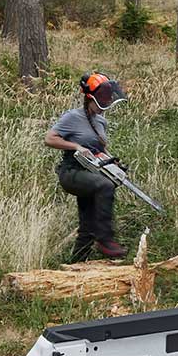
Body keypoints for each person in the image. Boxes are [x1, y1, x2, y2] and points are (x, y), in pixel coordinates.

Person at [46, 73, 128, 262]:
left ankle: (75, 266)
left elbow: (101, 149)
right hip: (72, 172)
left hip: (92, 171)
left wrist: (111, 161)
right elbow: (50, 139)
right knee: (104, 186)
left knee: (88, 228)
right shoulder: (73, 117)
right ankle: (105, 240)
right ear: (90, 98)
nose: (105, 103)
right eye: (102, 99)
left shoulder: (101, 121)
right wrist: (76, 146)